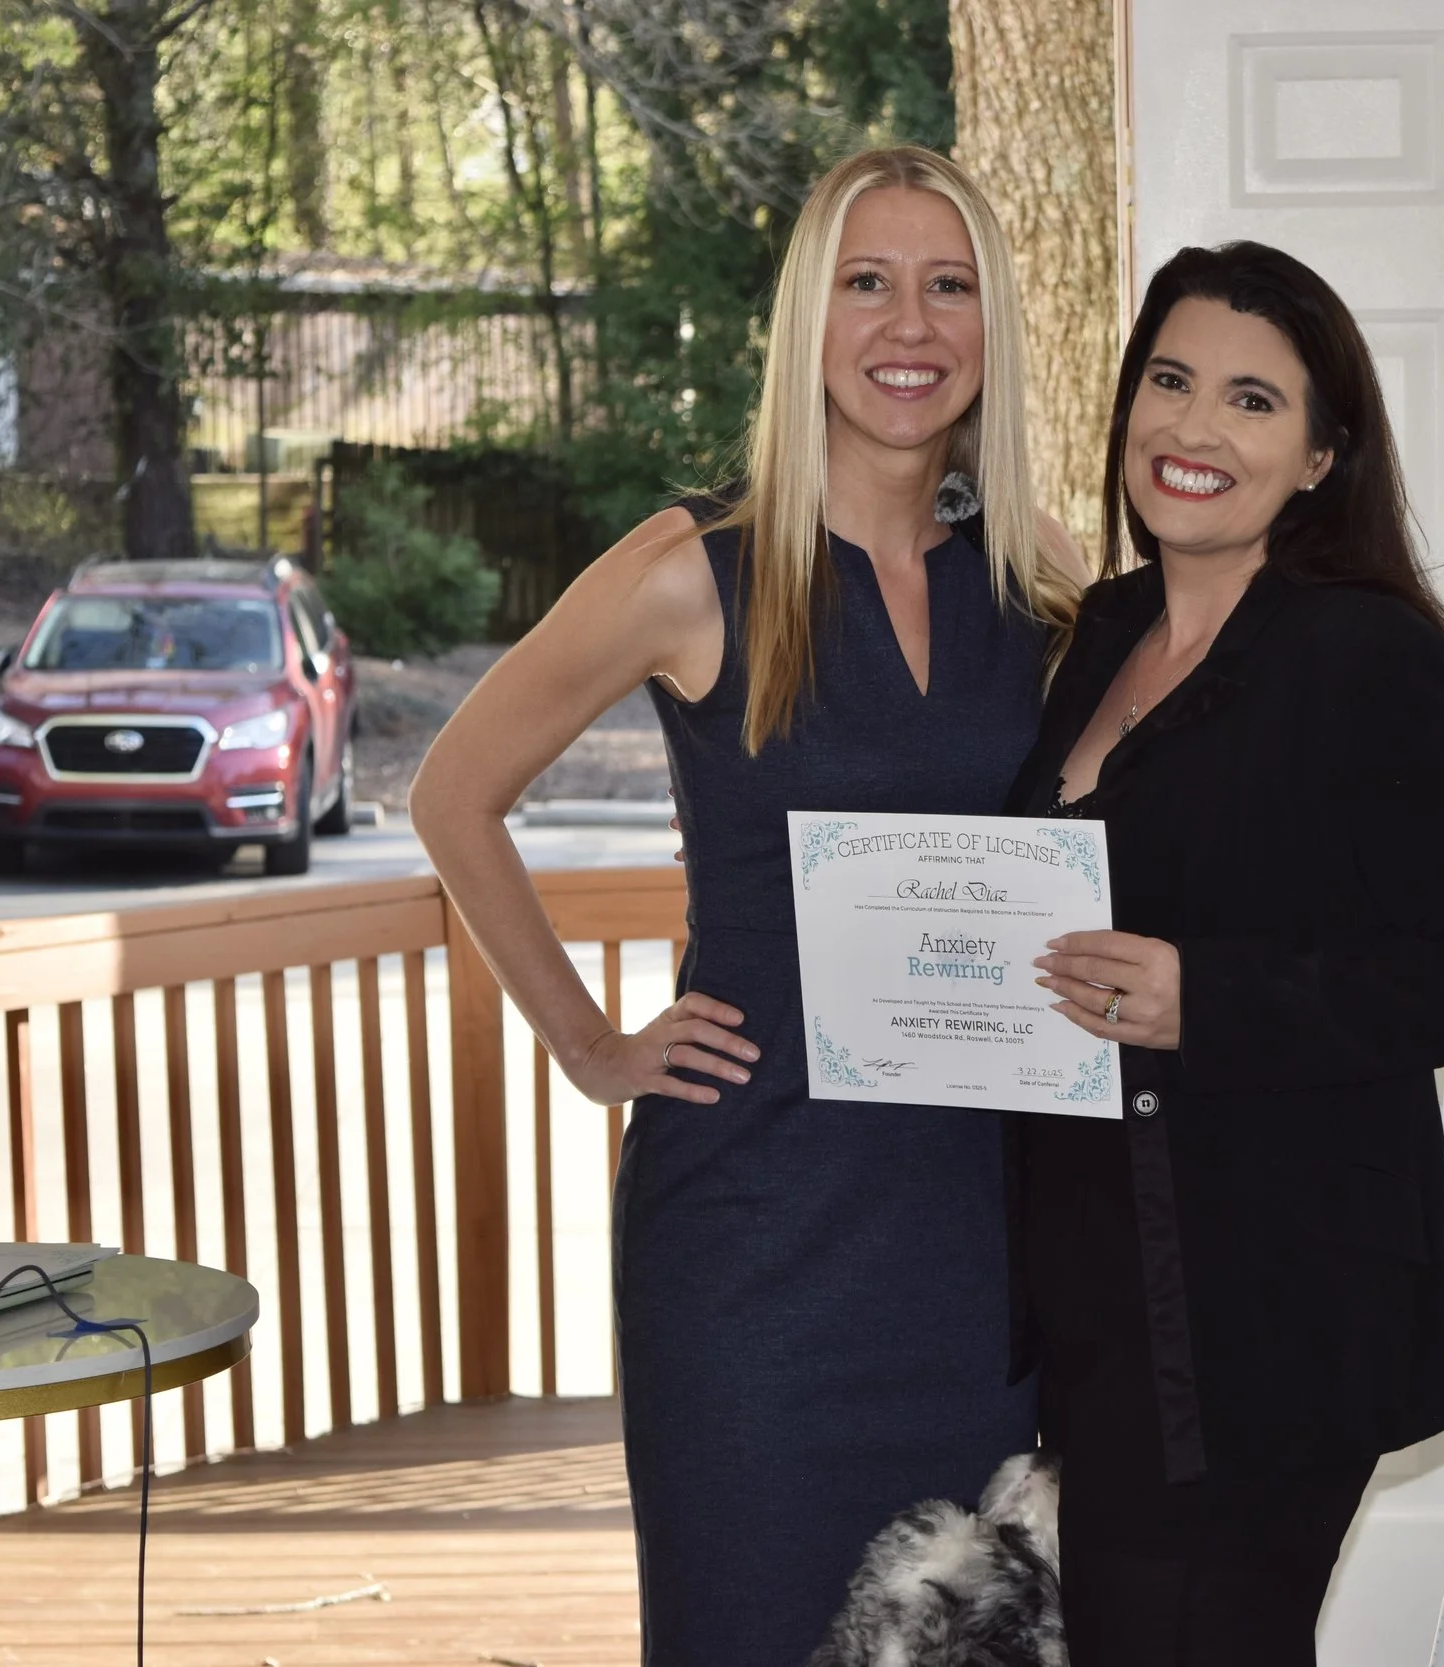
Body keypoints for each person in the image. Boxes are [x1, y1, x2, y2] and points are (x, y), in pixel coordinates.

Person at [410, 146, 1085, 1666]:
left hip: (983, 1242)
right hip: (754, 1240)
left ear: (990, 324)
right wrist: (590, 1046)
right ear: (806, 321)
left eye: (949, 285)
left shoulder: (1039, 578)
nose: (908, 324)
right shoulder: (691, 570)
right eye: (867, 282)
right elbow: (453, 792)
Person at [1007, 241, 1444, 1666]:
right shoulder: (1105, 630)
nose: (1194, 428)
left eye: (1252, 401)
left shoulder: (1368, 657)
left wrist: (1210, 998)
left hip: (1264, 1322)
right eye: (1170, 380)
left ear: (1323, 456)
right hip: (1097, 1300)